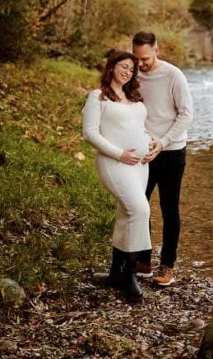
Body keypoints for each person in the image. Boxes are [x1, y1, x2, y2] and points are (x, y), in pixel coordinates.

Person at [82, 50, 153, 303]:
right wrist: (119, 154)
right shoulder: (98, 97)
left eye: (132, 69)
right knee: (140, 210)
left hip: (140, 165)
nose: (127, 72)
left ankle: (115, 273)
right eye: (123, 66)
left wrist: (150, 143)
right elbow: (90, 133)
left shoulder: (133, 97)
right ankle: (130, 274)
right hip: (114, 162)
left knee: (126, 214)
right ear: (111, 67)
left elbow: (139, 127)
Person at [131, 31, 193, 287]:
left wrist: (163, 141)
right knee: (139, 206)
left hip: (171, 151)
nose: (140, 63)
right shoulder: (132, 74)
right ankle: (143, 261)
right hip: (143, 152)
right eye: (136, 58)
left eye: (145, 59)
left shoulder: (173, 75)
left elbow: (187, 114)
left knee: (169, 209)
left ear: (157, 51)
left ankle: (167, 265)